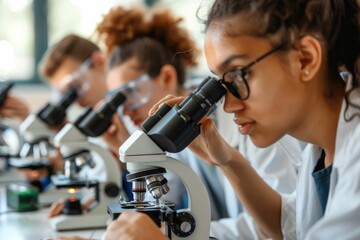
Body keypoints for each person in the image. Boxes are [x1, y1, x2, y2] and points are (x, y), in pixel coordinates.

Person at [103, 0, 360, 239]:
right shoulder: (320, 154)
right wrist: (225, 160)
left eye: (237, 78)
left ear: (305, 59)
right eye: (222, 84)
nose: (229, 105)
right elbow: (288, 226)